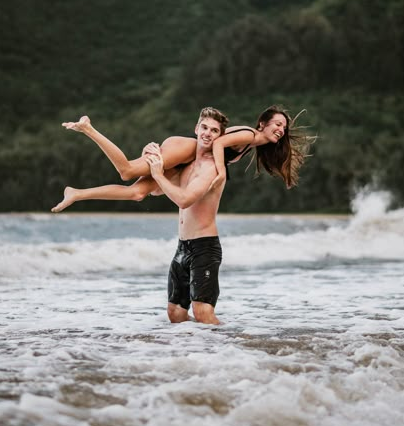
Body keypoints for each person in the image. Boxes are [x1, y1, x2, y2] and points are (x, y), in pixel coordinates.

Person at [51, 105, 313, 212]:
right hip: (187, 149)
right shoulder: (249, 134)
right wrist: (221, 172)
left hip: (190, 160)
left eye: (283, 127)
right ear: (262, 123)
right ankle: (89, 129)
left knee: (137, 194)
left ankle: (77, 193)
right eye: (277, 123)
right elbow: (219, 141)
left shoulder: (254, 144)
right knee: (127, 171)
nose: (280, 129)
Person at [144, 108, 228, 325]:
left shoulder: (212, 168)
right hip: (183, 246)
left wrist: (157, 174)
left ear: (220, 137)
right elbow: (156, 191)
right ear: (196, 129)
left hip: (205, 248)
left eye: (215, 130)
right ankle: (190, 352)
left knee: (202, 312)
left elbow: (184, 199)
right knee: (175, 313)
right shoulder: (187, 165)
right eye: (205, 127)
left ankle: (230, 345)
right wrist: (151, 157)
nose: (208, 133)